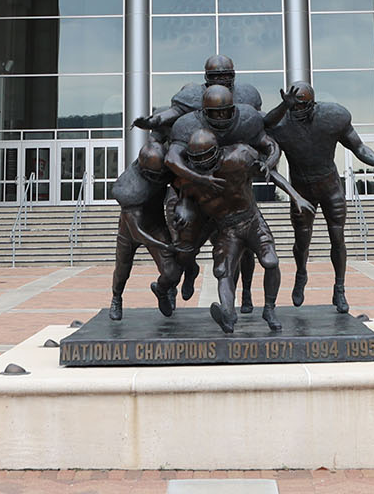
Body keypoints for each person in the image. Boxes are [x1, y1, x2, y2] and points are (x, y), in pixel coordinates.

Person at [263, 81, 374, 313]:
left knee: (337, 238)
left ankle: (339, 288)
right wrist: (282, 107)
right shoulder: (281, 125)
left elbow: (358, 147)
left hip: (330, 186)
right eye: (293, 108)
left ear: (312, 105)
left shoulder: (332, 117)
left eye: (301, 107)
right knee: (301, 242)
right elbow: (265, 125)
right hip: (301, 189)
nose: (297, 112)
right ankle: (301, 273)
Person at [172, 127, 312, 334]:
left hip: (251, 220)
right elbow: (184, 198)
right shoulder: (190, 178)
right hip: (226, 228)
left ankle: (270, 309)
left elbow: (270, 172)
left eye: (205, 156)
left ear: (216, 151)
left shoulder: (238, 157)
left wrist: (295, 195)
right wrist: (182, 211)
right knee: (222, 271)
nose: (202, 162)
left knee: (270, 261)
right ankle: (227, 314)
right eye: (197, 158)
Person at [106, 138, 198, 319]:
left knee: (172, 271)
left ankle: (166, 289)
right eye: (155, 175)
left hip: (155, 224)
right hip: (131, 230)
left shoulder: (162, 170)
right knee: (122, 268)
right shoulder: (129, 190)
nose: (159, 179)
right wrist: (167, 246)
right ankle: (116, 298)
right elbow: (138, 233)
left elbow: (182, 187)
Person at [132, 53, 262, 133]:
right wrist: (154, 121)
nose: (221, 80)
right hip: (201, 144)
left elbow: (260, 120)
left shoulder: (247, 94)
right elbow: (173, 113)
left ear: (233, 75)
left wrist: (282, 108)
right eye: (216, 76)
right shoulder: (193, 95)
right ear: (207, 77)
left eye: (225, 75)